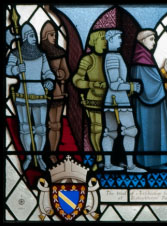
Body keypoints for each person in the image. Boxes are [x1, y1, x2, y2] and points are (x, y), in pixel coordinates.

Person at [6, 22, 55, 170]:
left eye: (35, 35)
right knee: (25, 128)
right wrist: (16, 69)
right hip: (23, 94)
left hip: (40, 94)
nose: (35, 38)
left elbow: (48, 72)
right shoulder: (16, 54)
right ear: (25, 37)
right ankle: (28, 156)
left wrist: (49, 81)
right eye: (32, 35)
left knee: (40, 128)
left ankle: (39, 157)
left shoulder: (42, 55)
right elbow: (8, 70)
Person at [130, 29, 167, 170]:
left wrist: (162, 72)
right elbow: (147, 87)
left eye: (154, 39)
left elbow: (151, 79)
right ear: (143, 41)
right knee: (150, 132)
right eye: (151, 39)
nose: (154, 42)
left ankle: (158, 160)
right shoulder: (141, 60)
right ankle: (151, 162)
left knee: (156, 131)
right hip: (148, 107)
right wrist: (165, 86)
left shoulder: (145, 57)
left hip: (154, 105)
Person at [101, 29, 146, 173]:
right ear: (111, 39)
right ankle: (130, 166)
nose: (121, 40)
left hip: (111, 100)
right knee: (130, 131)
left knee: (110, 132)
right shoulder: (113, 57)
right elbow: (114, 84)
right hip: (119, 100)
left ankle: (108, 165)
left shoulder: (112, 56)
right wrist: (132, 86)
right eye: (118, 38)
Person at [72, 30, 107, 171]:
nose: (105, 42)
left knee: (113, 130)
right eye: (102, 39)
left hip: (111, 99)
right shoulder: (88, 59)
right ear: (94, 42)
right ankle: (99, 158)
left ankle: (110, 159)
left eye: (106, 39)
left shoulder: (109, 58)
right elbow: (77, 79)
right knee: (97, 129)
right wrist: (92, 84)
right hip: (93, 99)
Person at [40, 21, 70, 163]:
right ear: (45, 36)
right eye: (51, 35)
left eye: (55, 35)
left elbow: (67, 73)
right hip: (42, 93)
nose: (54, 37)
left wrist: (61, 74)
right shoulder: (39, 53)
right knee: (42, 124)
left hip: (58, 91)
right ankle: (42, 152)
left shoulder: (60, 52)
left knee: (56, 124)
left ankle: (53, 152)